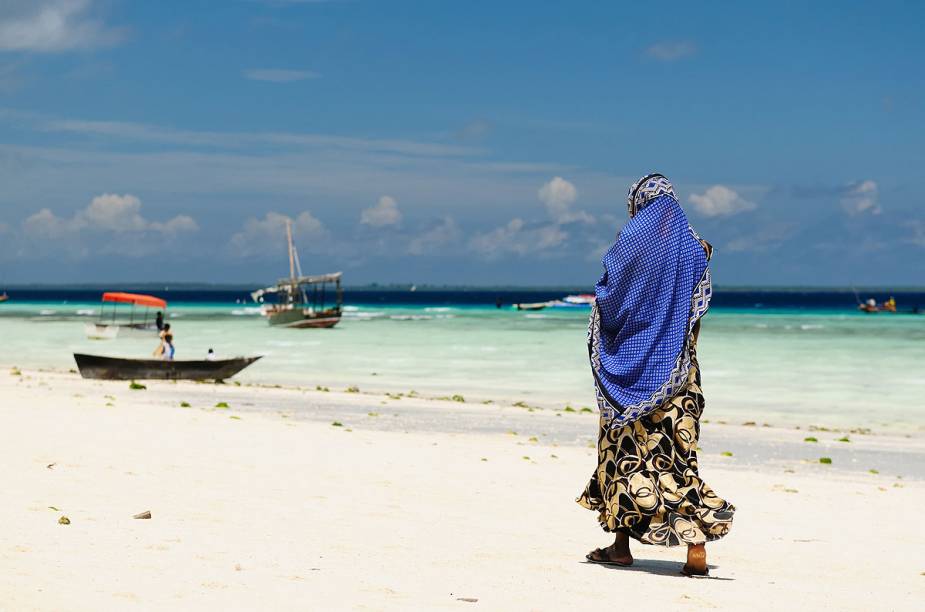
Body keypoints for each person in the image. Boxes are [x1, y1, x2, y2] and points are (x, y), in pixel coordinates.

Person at [577, 173, 735, 576]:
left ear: (637, 205)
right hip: (680, 376)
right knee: (678, 459)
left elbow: (608, 297)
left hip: (628, 376)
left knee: (623, 457)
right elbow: (695, 312)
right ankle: (695, 547)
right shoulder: (696, 249)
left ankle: (621, 546)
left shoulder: (628, 244)